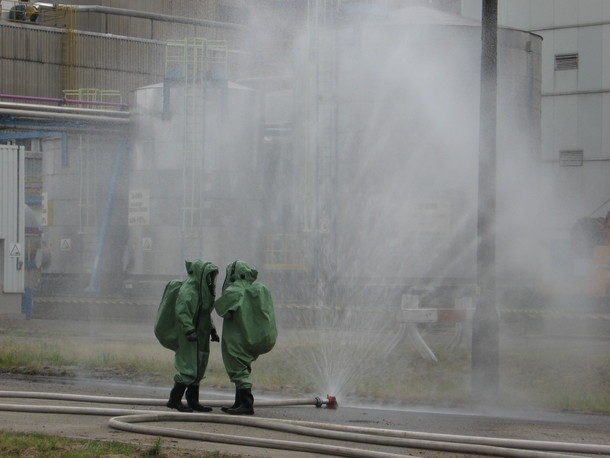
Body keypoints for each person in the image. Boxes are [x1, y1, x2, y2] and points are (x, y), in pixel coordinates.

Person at [154, 259, 219, 412]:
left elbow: (205, 315)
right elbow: (182, 311)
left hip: (200, 337)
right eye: (209, 277)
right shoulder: (189, 291)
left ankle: (193, 401)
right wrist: (189, 330)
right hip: (189, 336)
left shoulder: (201, 291)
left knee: (198, 369)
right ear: (201, 274)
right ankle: (174, 399)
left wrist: (212, 330)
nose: (211, 281)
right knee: (188, 368)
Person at [214, 260, 277, 415]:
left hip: (237, 338)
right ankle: (239, 403)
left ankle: (247, 404)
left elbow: (222, 309)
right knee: (242, 368)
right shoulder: (254, 290)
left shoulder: (235, 290)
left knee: (238, 371)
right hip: (249, 338)